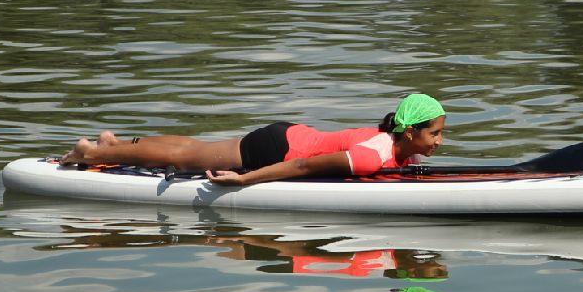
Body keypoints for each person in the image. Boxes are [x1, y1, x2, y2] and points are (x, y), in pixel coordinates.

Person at [59, 93, 447, 187]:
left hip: (297, 135)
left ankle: (114, 144)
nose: (440, 142)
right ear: (410, 132)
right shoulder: (369, 155)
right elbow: (302, 167)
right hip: (279, 148)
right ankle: (91, 152)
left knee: (193, 147)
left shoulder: (401, 149)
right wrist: (244, 179)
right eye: (435, 133)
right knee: (186, 158)